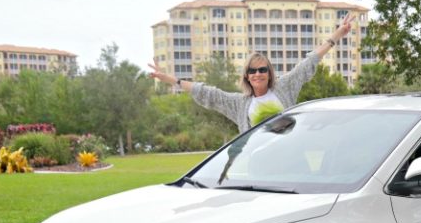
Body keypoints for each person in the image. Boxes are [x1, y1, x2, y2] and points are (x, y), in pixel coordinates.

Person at [148, 13, 355, 133]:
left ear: (269, 73)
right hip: (258, 164)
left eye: (262, 69)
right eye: (252, 70)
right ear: (247, 76)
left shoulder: (284, 87)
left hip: (290, 159)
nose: (258, 74)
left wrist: (337, 34)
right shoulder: (240, 104)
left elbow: (309, 62)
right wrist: (170, 79)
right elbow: (208, 93)